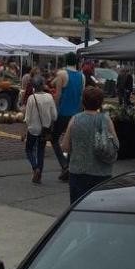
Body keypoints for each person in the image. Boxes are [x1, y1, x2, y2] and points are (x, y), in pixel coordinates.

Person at [60, 87, 119, 203]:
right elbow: (116, 144)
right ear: (101, 102)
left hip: (78, 173)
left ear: (83, 101)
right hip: (102, 173)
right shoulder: (105, 120)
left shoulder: (75, 119)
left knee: (78, 208)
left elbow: (65, 147)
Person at [51, 53, 84, 181]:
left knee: (54, 139)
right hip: (75, 114)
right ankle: (69, 167)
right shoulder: (82, 76)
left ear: (65, 61)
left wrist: (54, 110)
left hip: (63, 113)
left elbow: (58, 95)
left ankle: (64, 164)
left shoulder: (62, 74)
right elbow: (81, 97)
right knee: (72, 141)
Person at [23, 77, 57, 185]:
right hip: (44, 130)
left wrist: (24, 131)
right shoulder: (49, 97)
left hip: (33, 128)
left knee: (29, 150)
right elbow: (54, 116)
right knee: (41, 151)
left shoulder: (31, 98)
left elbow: (27, 118)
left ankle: (35, 168)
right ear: (43, 85)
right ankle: (39, 174)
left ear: (33, 87)